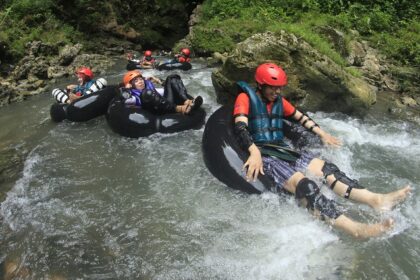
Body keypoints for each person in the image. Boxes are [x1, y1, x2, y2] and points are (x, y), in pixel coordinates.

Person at [233, 62, 411, 238]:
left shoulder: (280, 101)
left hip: (282, 150)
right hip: (264, 155)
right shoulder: (245, 99)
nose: (277, 92)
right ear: (261, 85)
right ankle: (356, 230)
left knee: (327, 169)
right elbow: (240, 127)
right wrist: (254, 152)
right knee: (305, 185)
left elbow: (301, 118)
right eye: (273, 88)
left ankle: (376, 200)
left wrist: (323, 133)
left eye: (279, 88)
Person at [121, 70, 203, 115]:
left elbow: (166, 90)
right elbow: (125, 100)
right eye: (136, 81)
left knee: (172, 77)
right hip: (156, 112)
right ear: (131, 85)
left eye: (141, 79)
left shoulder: (148, 86)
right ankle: (181, 108)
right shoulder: (133, 97)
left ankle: (187, 101)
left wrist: (158, 81)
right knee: (147, 93)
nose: (140, 82)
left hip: (165, 106)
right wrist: (126, 89)